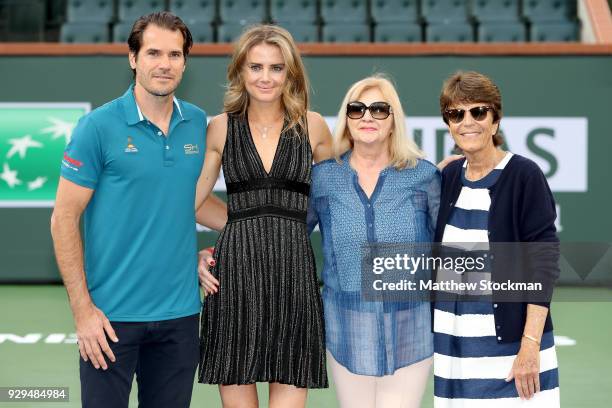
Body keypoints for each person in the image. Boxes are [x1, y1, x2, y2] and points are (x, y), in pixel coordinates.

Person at [50, 12, 226, 408]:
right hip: (109, 319)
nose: (164, 64)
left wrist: (247, 231)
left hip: (180, 316)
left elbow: (191, 202)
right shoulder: (97, 127)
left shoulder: (199, 123)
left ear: (185, 62)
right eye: (154, 53)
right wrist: (83, 312)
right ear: (133, 58)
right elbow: (63, 218)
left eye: (175, 55)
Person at [194, 25, 332, 407]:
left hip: (294, 272)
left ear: (291, 73)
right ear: (240, 71)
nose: (265, 77)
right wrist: (236, 227)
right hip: (234, 275)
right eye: (256, 67)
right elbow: (192, 202)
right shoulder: (220, 128)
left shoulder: (314, 125)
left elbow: (341, 197)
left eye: (276, 68)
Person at [303, 75, 440, 407]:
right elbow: (289, 236)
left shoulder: (424, 176)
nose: (367, 116)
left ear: (393, 121)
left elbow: (448, 248)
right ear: (346, 120)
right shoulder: (323, 178)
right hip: (346, 327)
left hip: (412, 326)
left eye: (379, 109)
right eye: (357, 109)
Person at [433, 71, 560, 406]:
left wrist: (530, 344)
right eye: (456, 114)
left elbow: (543, 264)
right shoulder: (448, 177)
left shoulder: (524, 175)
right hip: (453, 350)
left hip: (510, 353)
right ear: (448, 123)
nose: (467, 122)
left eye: (478, 111)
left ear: (495, 119)